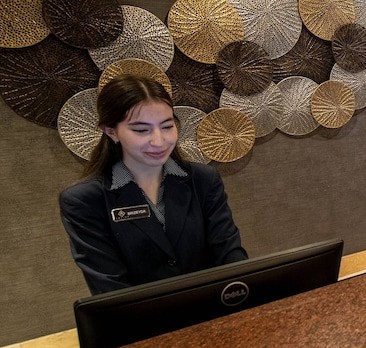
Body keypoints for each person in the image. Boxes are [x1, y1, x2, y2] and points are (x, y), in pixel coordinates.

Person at [60, 75, 247, 294]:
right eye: (141, 130)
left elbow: (230, 257)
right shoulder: (84, 200)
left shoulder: (203, 180)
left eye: (167, 126)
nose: (159, 141)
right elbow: (111, 289)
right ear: (111, 131)